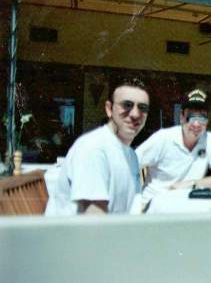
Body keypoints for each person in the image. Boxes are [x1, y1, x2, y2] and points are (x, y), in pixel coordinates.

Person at [45, 78, 150, 215]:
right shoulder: (94, 148)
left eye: (142, 108)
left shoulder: (130, 155)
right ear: (109, 109)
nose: (135, 114)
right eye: (127, 105)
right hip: (74, 235)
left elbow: (133, 211)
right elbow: (94, 222)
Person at [136, 89, 211, 201]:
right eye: (191, 117)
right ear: (181, 117)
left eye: (202, 118)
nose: (196, 124)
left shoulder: (210, 140)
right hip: (155, 205)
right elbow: (130, 164)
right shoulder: (163, 137)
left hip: (186, 206)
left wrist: (191, 184)